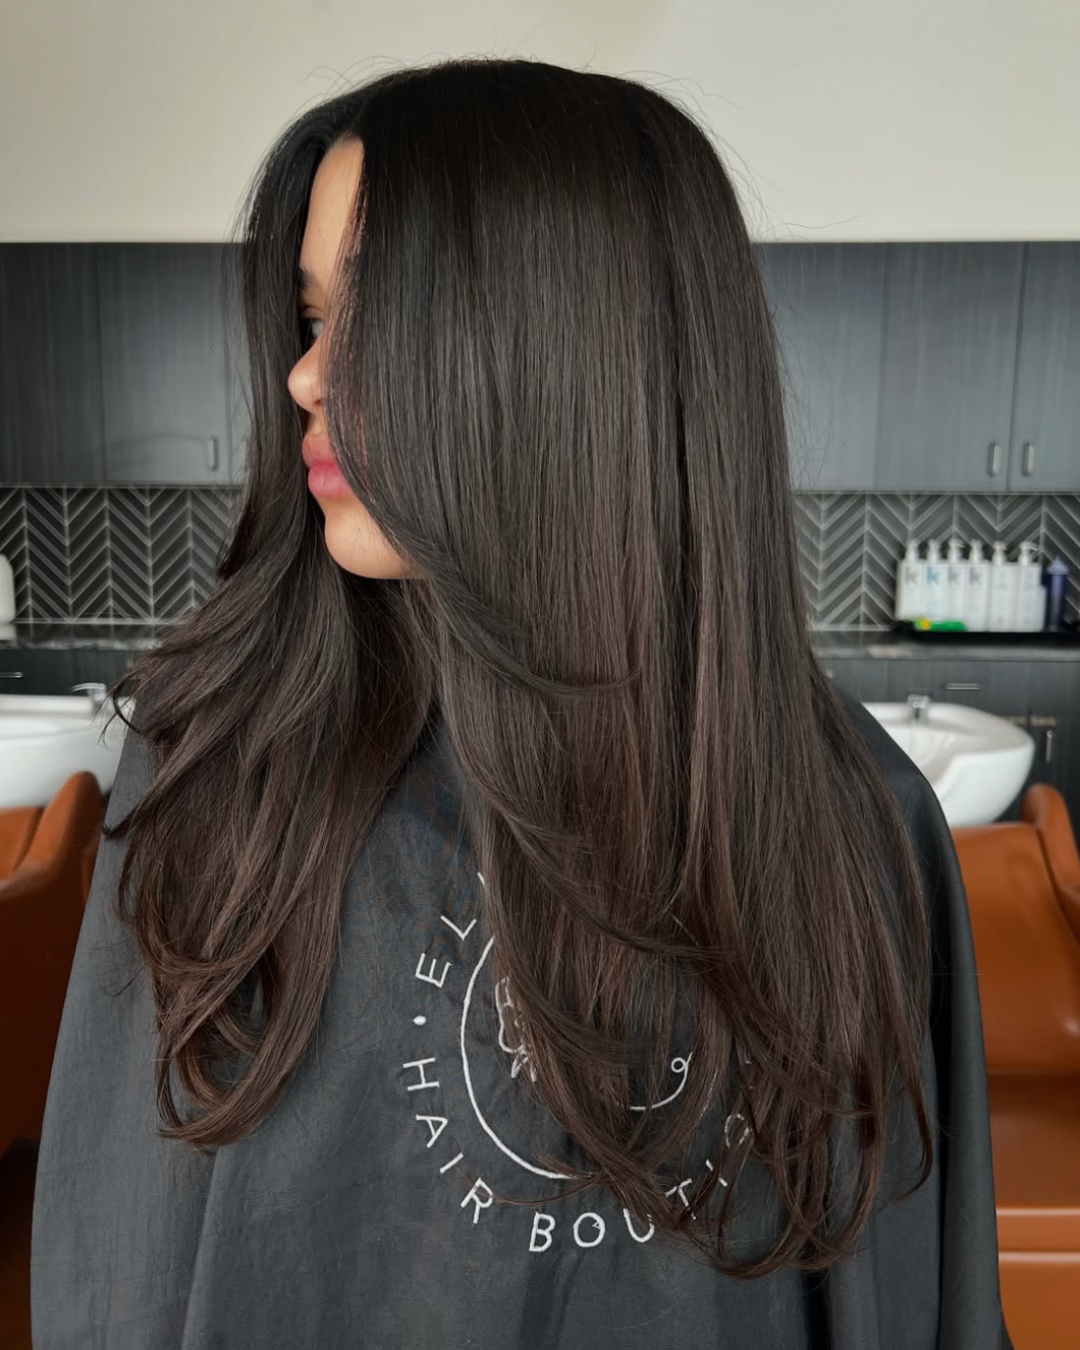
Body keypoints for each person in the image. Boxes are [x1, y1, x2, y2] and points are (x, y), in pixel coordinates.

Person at [30, 57, 1012, 1349]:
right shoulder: (226, 772)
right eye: (311, 320)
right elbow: (115, 1269)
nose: (306, 378)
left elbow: (911, 1297)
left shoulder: (856, 825)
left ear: (568, 362)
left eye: (375, 320)